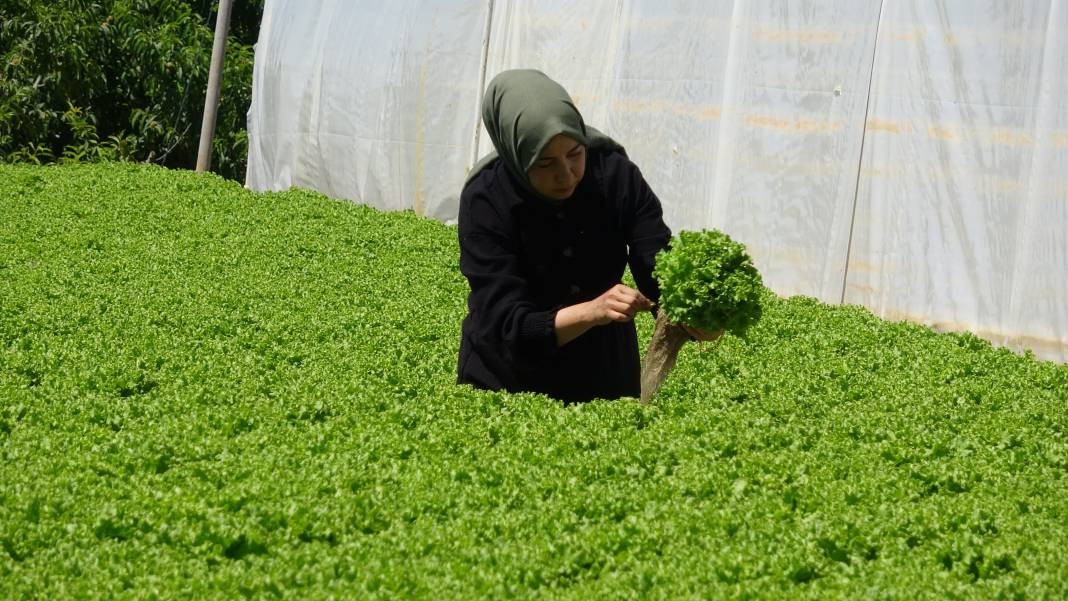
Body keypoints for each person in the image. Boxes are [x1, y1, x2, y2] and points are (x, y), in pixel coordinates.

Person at [456, 69, 717, 403]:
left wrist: (693, 314)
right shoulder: (487, 198)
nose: (566, 175)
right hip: (507, 381)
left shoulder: (614, 174)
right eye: (545, 163)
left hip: (603, 374)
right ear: (517, 156)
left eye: (575, 154)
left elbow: (657, 263)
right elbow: (507, 324)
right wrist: (592, 311)